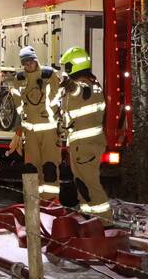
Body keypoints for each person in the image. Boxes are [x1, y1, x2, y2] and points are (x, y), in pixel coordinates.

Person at [57, 46, 113, 221]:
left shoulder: (83, 86)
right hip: (86, 143)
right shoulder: (93, 84)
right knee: (82, 183)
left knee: (89, 183)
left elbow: (78, 91)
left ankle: (105, 220)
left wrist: (70, 85)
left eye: (66, 67)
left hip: (84, 145)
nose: (64, 71)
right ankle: (90, 216)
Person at [8, 46, 62, 202]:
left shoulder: (49, 75)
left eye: (30, 62)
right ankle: (34, 201)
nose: (28, 66)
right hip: (30, 132)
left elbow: (56, 97)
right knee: (32, 169)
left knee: (50, 167)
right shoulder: (19, 79)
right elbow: (18, 104)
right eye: (25, 63)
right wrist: (21, 124)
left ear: (35, 60)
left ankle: (51, 200)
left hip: (49, 130)